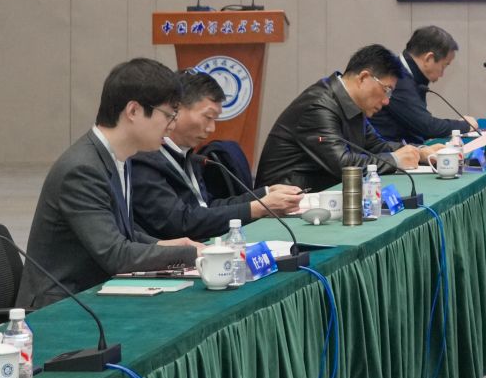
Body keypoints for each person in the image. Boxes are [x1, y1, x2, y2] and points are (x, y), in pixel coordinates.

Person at [18, 59, 203, 309]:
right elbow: (116, 255)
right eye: (168, 115)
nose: (172, 126)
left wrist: (163, 244)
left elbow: (118, 231)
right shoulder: (82, 169)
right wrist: (191, 255)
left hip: (92, 294)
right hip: (60, 306)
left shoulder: (119, 157)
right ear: (133, 111)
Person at [131, 71, 304, 242]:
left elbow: (207, 207)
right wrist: (257, 208)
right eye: (208, 117)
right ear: (176, 109)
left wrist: (265, 194)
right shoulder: (143, 159)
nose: (211, 128)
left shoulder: (186, 154)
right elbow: (180, 223)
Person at [255, 45, 426, 191]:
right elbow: (343, 165)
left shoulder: (353, 105)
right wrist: (395, 160)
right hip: (284, 202)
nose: (387, 101)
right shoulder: (319, 106)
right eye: (386, 90)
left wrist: (420, 152)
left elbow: (376, 146)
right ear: (364, 78)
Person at [369, 26, 461, 145]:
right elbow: (427, 127)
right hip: (382, 150)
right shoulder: (398, 79)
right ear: (429, 59)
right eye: (444, 65)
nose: (442, 74)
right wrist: (464, 125)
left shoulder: (409, 74)